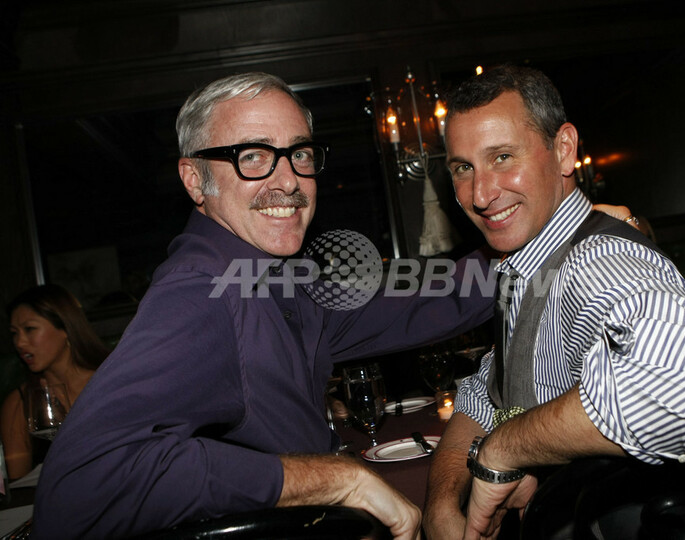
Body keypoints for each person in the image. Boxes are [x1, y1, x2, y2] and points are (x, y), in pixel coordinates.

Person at [31, 72, 497, 540]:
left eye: (300, 153)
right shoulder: (201, 293)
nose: (289, 180)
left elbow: (427, 299)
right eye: (252, 155)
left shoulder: (272, 277)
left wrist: (525, 246)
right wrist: (336, 479)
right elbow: (79, 489)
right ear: (195, 180)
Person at [422, 65, 685, 540]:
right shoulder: (523, 266)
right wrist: (441, 502)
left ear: (563, 149)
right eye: (463, 168)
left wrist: (505, 448)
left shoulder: (595, 258)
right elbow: (487, 392)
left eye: (502, 157)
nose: (481, 194)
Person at [2, 284, 108, 480]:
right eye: (14, 333)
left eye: (30, 329)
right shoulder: (20, 402)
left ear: (66, 328)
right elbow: (18, 484)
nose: (20, 342)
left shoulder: (110, 382)